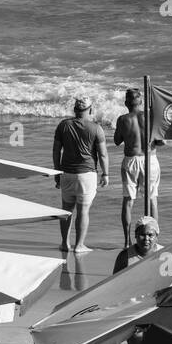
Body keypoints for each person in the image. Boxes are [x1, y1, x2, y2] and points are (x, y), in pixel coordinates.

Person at [52, 98, 109, 254]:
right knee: (83, 211)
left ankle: (64, 243)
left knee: (66, 209)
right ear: (90, 110)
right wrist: (106, 173)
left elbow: (56, 151)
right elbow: (103, 154)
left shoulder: (63, 125)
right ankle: (79, 245)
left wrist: (57, 172)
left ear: (74, 110)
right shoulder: (96, 128)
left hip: (66, 173)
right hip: (86, 174)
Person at [114, 88, 160, 245]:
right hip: (150, 159)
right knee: (152, 199)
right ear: (141, 102)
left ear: (126, 103)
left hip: (131, 160)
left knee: (128, 201)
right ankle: (154, 237)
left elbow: (117, 140)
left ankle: (127, 241)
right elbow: (161, 141)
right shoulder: (152, 117)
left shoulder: (122, 119)